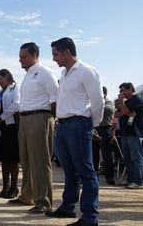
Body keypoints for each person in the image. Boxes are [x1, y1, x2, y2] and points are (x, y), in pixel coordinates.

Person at [46, 37, 104, 226]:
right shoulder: (64, 74)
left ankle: (89, 217)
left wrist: (91, 125)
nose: (54, 58)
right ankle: (68, 207)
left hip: (79, 124)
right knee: (69, 171)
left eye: (56, 54)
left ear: (67, 52)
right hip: (62, 126)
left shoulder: (86, 71)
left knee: (86, 171)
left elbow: (97, 101)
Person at [9, 42, 58, 214]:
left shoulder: (44, 72)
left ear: (34, 55)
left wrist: (51, 120)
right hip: (25, 119)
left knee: (40, 161)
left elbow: (55, 99)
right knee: (27, 160)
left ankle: (43, 201)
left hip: (39, 117)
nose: (20, 60)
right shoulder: (29, 75)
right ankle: (26, 195)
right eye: (20, 57)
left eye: (23, 57)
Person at [0, 68, 20, 199]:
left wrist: (2, 116)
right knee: (4, 159)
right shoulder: (0, 91)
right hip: (1, 128)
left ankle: (14, 187)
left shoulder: (15, 88)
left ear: (7, 77)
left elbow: (17, 104)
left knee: (13, 159)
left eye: (0, 79)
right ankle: (5, 187)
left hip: (11, 126)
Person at [115, 82, 143, 189]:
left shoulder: (137, 100)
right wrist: (126, 111)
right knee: (127, 158)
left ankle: (138, 181)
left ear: (130, 89)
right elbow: (117, 114)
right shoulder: (127, 102)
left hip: (135, 133)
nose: (121, 93)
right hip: (125, 133)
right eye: (120, 90)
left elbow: (124, 110)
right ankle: (130, 179)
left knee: (136, 157)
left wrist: (122, 104)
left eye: (123, 90)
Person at [93, 86, 115, 185]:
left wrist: (97, 105)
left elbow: (108, 110)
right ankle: (94, 177)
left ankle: (110, 177)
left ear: (104, 94)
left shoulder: (109, 102)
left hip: (105, 129)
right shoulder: (95, 103)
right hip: (95, 129)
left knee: (107, 155)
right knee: (94, 154)